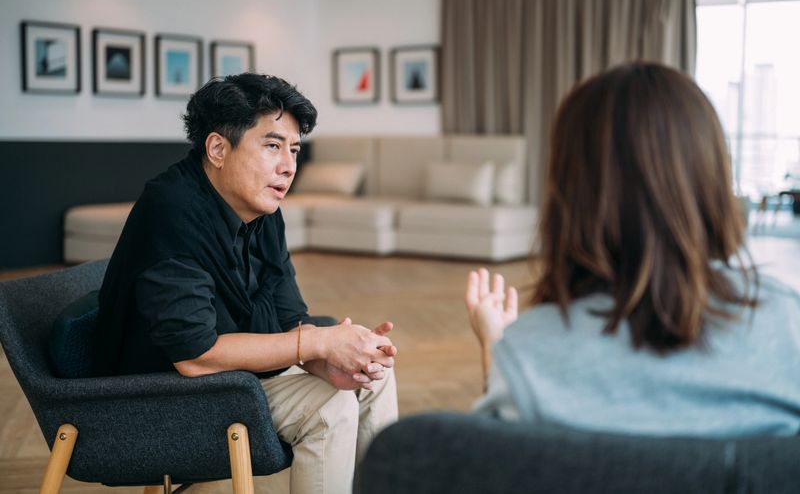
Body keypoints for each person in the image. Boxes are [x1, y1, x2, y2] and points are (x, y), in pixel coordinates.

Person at [94, 73, 398, 494]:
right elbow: (194, 356)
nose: (289, 166)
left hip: (233, 378)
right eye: (272, 145)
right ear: (218, 148)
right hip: (159, 399)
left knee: (373, 375)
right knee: (329, 407)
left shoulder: (263, 211)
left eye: (294, 149)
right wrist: (318, 344)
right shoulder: (172, 210)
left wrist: (327, 358)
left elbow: (290, 318)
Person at [465, 62, 800, 437]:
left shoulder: (527, 356)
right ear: (712, 179)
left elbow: (495, 460)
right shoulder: (788, 325)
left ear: (568, 195)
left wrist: (496, 349)